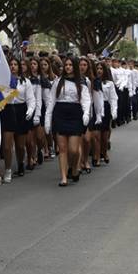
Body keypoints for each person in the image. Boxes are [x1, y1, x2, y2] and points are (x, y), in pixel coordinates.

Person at [45, 56, 91, 186]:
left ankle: (74, 168)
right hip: (60, 114)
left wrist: (86, 113)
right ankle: (64, 177)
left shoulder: (81, 82)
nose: (68, 67)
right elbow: (51, 102)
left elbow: (86, 100)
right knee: (63, 149)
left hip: (75, 115)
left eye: (70, 65)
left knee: (74, 150)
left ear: (74, 67)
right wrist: (47, 120)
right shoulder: (58, 82)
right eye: (66, 65)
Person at [0, 58, 34, 182]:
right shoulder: (2, 81)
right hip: (7, 110)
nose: (13, 67)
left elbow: (31, 99)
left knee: (20, 145)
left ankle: (20, 163)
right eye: (10, 64)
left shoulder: (25, 82)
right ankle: (8, 169)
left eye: (15, 64)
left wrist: (30, 110)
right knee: (7, 146)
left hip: (20, 111)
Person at [95, 62, 117, 164]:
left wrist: (114, 110)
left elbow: (113, 98)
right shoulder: (93, 82)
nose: (99, 70)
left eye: (101, 68)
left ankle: (104, 152)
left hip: (106, 107)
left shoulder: (109, 83)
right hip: (96, 107)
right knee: (97, 135)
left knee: (104, 136)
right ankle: (98, 156)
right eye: (97, 68)